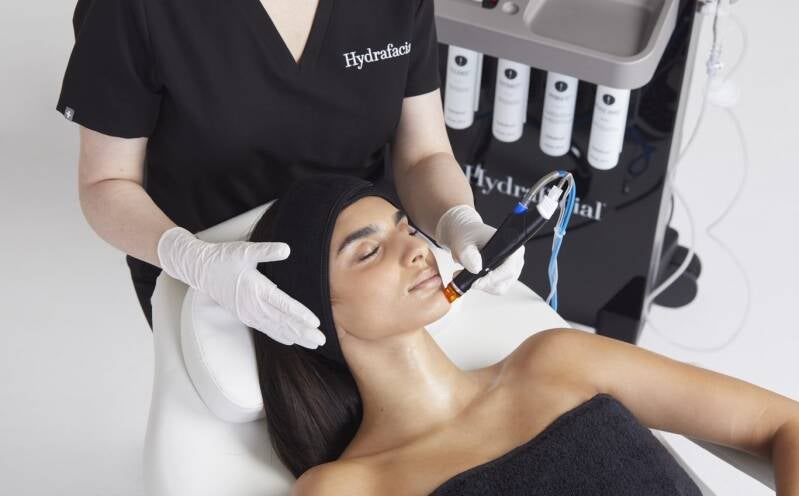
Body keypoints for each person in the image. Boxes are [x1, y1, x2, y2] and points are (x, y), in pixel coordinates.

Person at [248, 174, 799, 495]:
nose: (416, 248)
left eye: (407, 227)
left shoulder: (557, 360)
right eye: (368, 251)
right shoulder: (348, 487)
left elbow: (784, 423)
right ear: (302, 306)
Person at [54, 0, 525, 346]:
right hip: (210, 274)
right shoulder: (133, 8)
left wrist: (456, 219)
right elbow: (106, 183)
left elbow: (423, 155)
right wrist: (192, 259)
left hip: (362, 270)